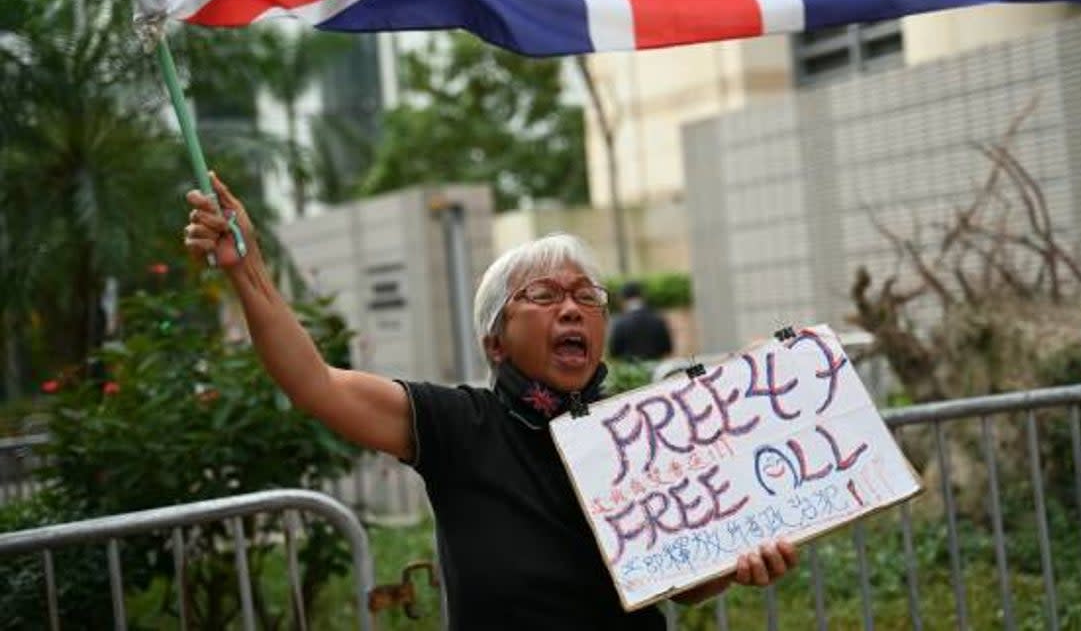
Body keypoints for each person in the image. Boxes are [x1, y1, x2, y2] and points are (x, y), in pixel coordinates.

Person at [183, 174, 797, 631]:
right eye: (544, 294)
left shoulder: (638, 432)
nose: (571, 308)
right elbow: (314, 384)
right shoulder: (457, 426)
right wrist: (248, 270)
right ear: (495, 341)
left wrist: (733, 565)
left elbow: (680, 584)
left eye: (587, 295)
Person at [607, 281, 673, 362]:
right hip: (655, 369)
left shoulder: (620, 322)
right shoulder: (657, 319)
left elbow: (614, 352)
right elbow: (667, 348)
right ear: (642, 296)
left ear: (623, 299)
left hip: (629, 372)